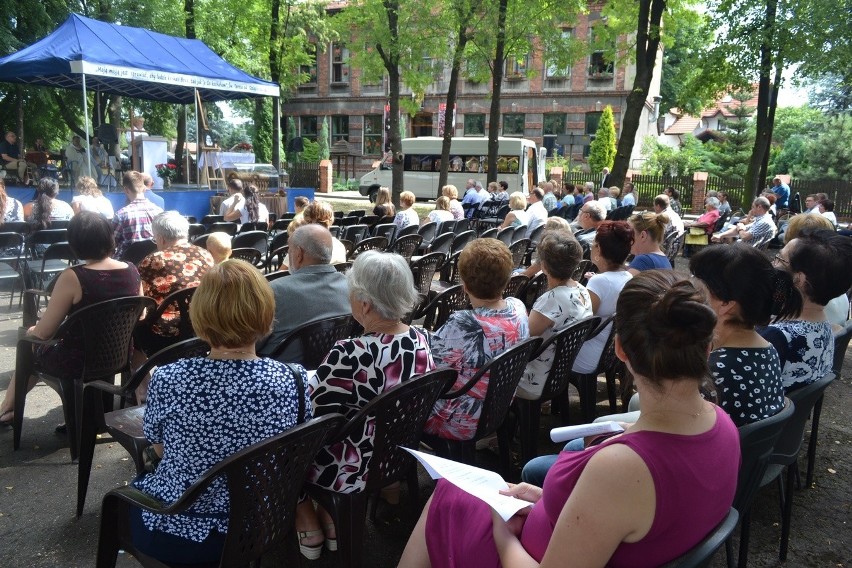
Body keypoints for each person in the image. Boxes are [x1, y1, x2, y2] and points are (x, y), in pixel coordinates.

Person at [400, 271, 740, 568]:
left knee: (446, 496)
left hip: (526, 552)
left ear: (620, 349)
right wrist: (547, 502)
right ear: (707, 348)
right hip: (566, 534)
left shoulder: (623, 467)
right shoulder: (723, 424)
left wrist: (500, 530)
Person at [128, 259, 309, 565]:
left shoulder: (169, 378)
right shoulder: (294, 378)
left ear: (200, 314)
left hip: (179, 533)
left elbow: (160, 450)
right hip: (261, 525)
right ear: (265, 312)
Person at [297, 251, 434, 558]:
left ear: (365, 303)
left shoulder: (351, 352)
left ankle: (310, 516)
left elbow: (312, 410)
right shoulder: (420, 338)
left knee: (283, 440)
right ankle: (331, 521)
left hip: (353, 465)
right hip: (398, 451)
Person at [0, 212, 142, 426]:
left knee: (28, 344)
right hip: (119, 355)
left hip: (78, 361)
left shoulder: (73, 276)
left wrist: (32, 331)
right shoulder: (132, 270)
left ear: (74, 243)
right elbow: (142, 313)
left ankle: (6, 409)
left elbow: (45, 332)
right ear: (110, 238)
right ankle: (7, 410)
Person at [423, 239, 530, 442]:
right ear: (507, 279)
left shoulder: (464, 323)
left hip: (463, 417)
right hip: (500, 405)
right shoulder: (517, 307)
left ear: (464, 283)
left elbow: (430, 368)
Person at [690, 244, 801, 426]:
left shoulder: (713, 370)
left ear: (726, 304)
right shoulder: (766, 347)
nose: (690, 288)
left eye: (697, 285)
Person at [760, 229, 852, 391]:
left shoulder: (775, 338)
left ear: (799, 279)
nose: (774, 265)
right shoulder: (824, 325)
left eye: (780, 259)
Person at [516, 232, 592, 400]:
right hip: (560, 371)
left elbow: (521, 340)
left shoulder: (551, 300)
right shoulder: (582, 289)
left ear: (543, 266)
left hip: (536, 379)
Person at [258, 224, 351, 360]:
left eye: (289, 250)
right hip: (330, 366)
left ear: (299, 254)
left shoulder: (274, 290)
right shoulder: (350, 286)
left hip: (280, 370)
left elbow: (251, 343)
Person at [135, 211, 214, 356]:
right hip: (204, 321)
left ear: (160, 238)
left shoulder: (153, 260)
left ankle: (144, 376)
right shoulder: (205, 254)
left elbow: (142, 296)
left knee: (132, 331)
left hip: (167, 330)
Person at [572, 221, 633, 374]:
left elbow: (581, 321)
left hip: (590, 356)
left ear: (598, 249)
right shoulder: (628, 276)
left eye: (593, 244)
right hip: (610, 352)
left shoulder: (599, 281)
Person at [112, 170, 164, 259]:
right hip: (152, 261)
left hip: (126, 264)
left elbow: (111, 244)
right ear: (144, 188)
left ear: (126, 190)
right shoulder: (159, 211)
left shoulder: (120, 215)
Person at [280, 201, 347, 270]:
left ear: (308, 221)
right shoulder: (340, 246)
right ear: (331, 221)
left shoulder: (299, 247)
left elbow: (278, 275)